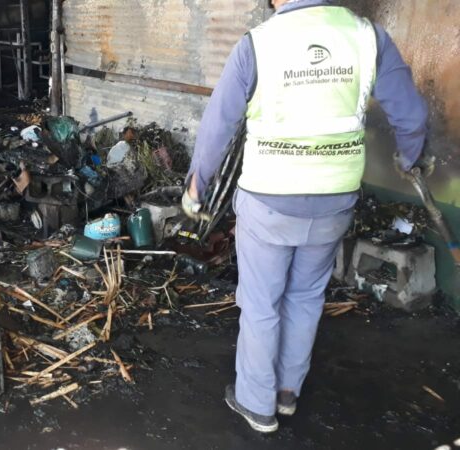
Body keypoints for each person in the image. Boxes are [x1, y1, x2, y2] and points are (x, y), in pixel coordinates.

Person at [182, 0, 431, 434]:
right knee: (305, 297)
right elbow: (411, 113)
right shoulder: (366, 36)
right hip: (334, 198)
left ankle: (256, 404)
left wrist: (196, 184)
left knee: (262, 304)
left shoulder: (258, 44)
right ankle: (286, 394)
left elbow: (218, 123)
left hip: (269, 199)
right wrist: (410, 156)